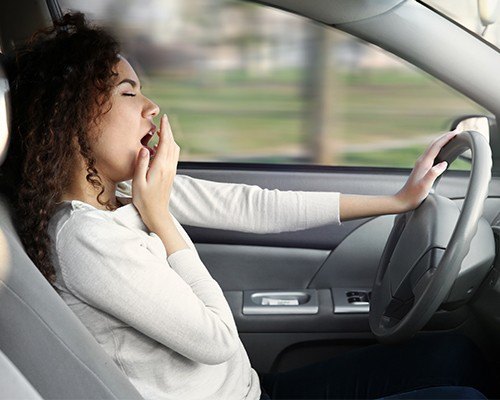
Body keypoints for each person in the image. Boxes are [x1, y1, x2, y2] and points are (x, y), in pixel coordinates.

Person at [1, 11, 497, 400]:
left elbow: (253, 205)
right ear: (69, 117)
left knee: (453, 353)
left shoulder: (126, 190)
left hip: (253, 389)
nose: (151, 106)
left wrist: (395, 201)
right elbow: (215, 340)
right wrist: (161, 219)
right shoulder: (86, 237)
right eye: (128, 91)